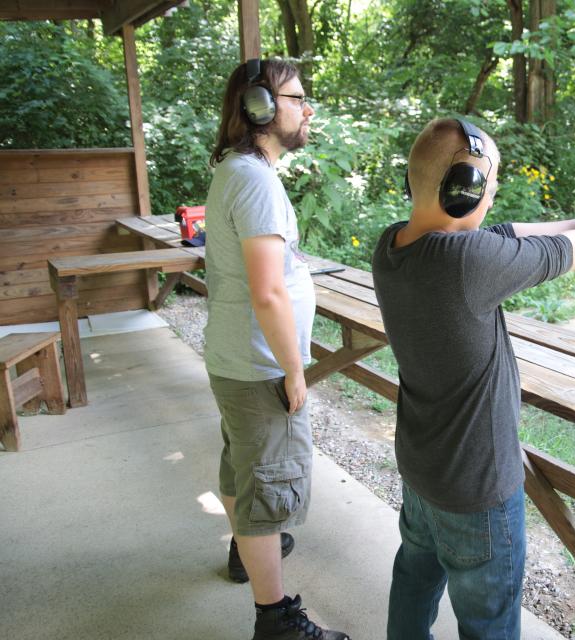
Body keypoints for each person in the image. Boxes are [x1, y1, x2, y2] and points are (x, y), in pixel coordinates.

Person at [372, 117, 575, 639]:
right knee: (487, 623)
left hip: (423, 470)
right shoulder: (466, 263)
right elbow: (556, 255)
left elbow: (505, 235)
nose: (491, 199)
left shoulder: (391, 248)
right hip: (477, 489)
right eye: (488, 188)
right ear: (462, 192)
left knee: (413, 579)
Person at [204, 58, 349, 640]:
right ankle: (277, 621)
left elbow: (264, 274)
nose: (307, 108)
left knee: (243, 470)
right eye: (297, 97)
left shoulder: (240, 171)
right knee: (268, 488)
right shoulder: (256, 179)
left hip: (236, 359)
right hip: (260, 364)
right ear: (261, 108)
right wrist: (294, 369)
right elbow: (266, 292)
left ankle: (248, 552)